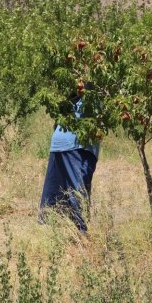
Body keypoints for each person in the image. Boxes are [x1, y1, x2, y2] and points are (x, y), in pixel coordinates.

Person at [38, 91, 100, 233]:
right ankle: (80, 240)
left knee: (57, 197)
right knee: (77, 196)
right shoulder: (92, 85)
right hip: (78, 145)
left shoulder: (71, 85)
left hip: (59, 142)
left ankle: (59, 239)